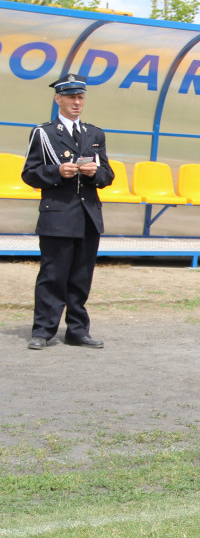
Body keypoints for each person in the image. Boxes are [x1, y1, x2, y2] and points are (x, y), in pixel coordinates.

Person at [21, 73, 114, 351]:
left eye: (80, 97)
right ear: (57, 98)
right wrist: (57, 171)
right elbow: (29, 173)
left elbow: (108, 174)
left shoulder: (94, 133)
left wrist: (95, 172)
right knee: (53, 275)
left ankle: (77, 330)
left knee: (81, 277)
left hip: (87, 215)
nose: (76, 102)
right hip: (58, 214)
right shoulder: (44, 133)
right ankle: (43, 330)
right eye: (71, 96)